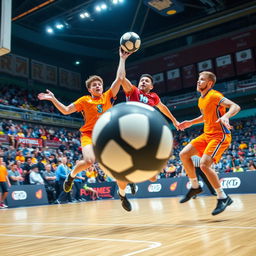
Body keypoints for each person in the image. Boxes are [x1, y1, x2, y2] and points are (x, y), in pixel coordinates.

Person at [38, 48, 132, 211]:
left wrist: (122, 59)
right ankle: (71, 175)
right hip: (89, 134)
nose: (97, 86)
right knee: (89, 161)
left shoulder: (108, 96)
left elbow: (120, 78)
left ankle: (122, 194)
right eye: (94, 85)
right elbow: (66, 110)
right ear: (89, 89)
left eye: (99, 84)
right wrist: (53, 99)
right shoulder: (85, 100)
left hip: (106, 135)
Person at [117, 49, 180, 195]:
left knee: (153, 178)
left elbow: (163, 108)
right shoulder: (133, 91)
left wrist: (175, 121)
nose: (143, 82)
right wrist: (122, 59)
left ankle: (135, 176)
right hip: (130, 131)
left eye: (146, 81)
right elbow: (121, 78)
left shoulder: (154, 97)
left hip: (147, 133)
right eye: (141, 80)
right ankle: (129, 180)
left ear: (151, 86)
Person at [178, 71, 240, 215]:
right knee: (184, 154)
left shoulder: (214, 95)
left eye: (202, 80)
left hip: (220, 136)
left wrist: (226, 116)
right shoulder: (201, 99)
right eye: (198, 79)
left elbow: (235, 106)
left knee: (204, 165)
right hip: (207, 134)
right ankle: (195, 186)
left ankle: (223, 197)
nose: (198, 82)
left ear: (209, 83)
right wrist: (190, 123)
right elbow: (206, 117)